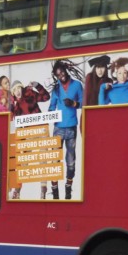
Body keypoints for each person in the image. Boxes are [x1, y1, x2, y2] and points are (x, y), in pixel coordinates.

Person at [48, 59, 83, 200]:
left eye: (62, 72)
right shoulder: (56, 88)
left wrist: (74, 103)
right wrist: (50, 113)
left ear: (65, 70)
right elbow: (52, 105)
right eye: (58, 75)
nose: (61, 76)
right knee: (54, 160)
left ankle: (68, 188)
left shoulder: (77, 85)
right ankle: (55, 191)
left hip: (71, 128)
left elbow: (83, 103)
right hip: (58, 128)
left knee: (71, 161)